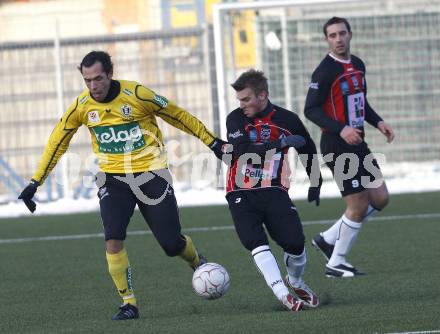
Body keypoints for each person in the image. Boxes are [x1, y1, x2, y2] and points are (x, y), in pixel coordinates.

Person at [18, 50, 226, 320]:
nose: (93, 86)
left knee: (171, 244)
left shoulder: (138, 94)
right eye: (87, 80)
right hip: (112, 179)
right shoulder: (82, 106)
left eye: (98, 79)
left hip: (152, 175)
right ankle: (129, 303)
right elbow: (58, 142)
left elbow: (178, 115)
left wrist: (212, 142)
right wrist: (35, 182)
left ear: (110, 73)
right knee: (112, 237)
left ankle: (197, 260)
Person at [224, 69, 322, 312]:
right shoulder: (235, 119)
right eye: (239, 100)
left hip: (274, 189)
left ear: (263, 95)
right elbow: (242, 151)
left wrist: (315, 181)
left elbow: (307, 149)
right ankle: (283, 295)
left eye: (246, 99)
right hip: (240, 191)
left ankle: (295, 281)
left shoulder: (287, 120)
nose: (242, 105)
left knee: (296, 244)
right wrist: (280, 143)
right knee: (255, 241)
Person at [304, 17, 395, 278]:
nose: (338, 39)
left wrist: (378, 122)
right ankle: (337, 262)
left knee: (380, 198)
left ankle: (328, 239)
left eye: (342, 33)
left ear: (350, 34)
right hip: (336, 145)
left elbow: (359, 102)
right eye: (332, 35)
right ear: (327, 40)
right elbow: (310, 109)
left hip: (358, 144)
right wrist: (340, 128)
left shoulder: (357, 65)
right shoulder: (324, 71)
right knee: (357, 204)